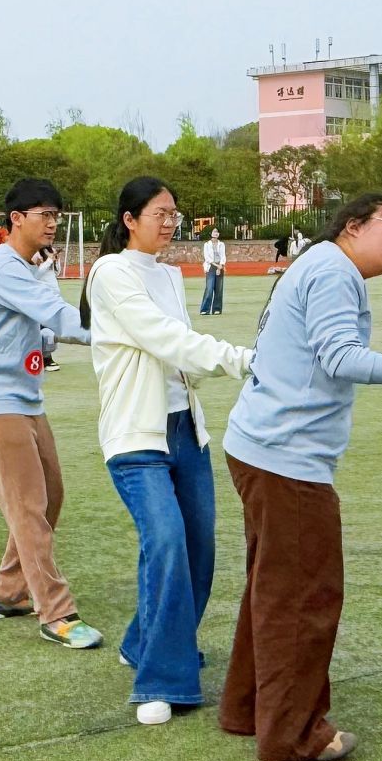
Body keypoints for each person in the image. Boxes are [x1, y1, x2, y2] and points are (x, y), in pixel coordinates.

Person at [217, 192, 382, 761]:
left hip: (263, 446)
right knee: (303, 594)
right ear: (352, 226)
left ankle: (248, 707)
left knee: (274, 588)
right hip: (286, 457)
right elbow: (340, 356)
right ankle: (292, 732)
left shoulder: (320, 263)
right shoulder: (333, 270)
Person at [82, 176, 252, 725]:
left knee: (198, 549)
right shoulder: (111, 272)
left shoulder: (170, 275)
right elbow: (164, 337)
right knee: (167, 542)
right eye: (160, 213)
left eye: (174, 213)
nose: (170, 222)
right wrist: (242, 359)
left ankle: (143, 641)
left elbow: (179, 355)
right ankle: (161, 678)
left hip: (185, 431)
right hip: (137, 435)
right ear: (129, 219)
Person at [0, 178, 99, 646]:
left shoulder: (26, 267)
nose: (53, 223)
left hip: (23, 397)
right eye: (44, 214)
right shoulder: (5, 267)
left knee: (49, 496)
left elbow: (40, 331)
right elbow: (58, 316)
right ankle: (55, 612)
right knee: (28, 507)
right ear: (16, 219)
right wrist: (120, 332)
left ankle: (8, 590)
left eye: (56, 214)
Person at [199, 227, 228, 316]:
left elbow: (223, 256)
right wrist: (216, 266)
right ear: (211, 233)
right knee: (209, 288)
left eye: (217, 232)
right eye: (214, 231)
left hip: (220, 266)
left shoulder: (221, 244)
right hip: (211, 267)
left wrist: (220, 266)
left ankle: (217, 309)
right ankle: (205, 309)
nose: (216, 233)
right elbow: (207, 258)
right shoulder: (207, 244)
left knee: (219, 289)